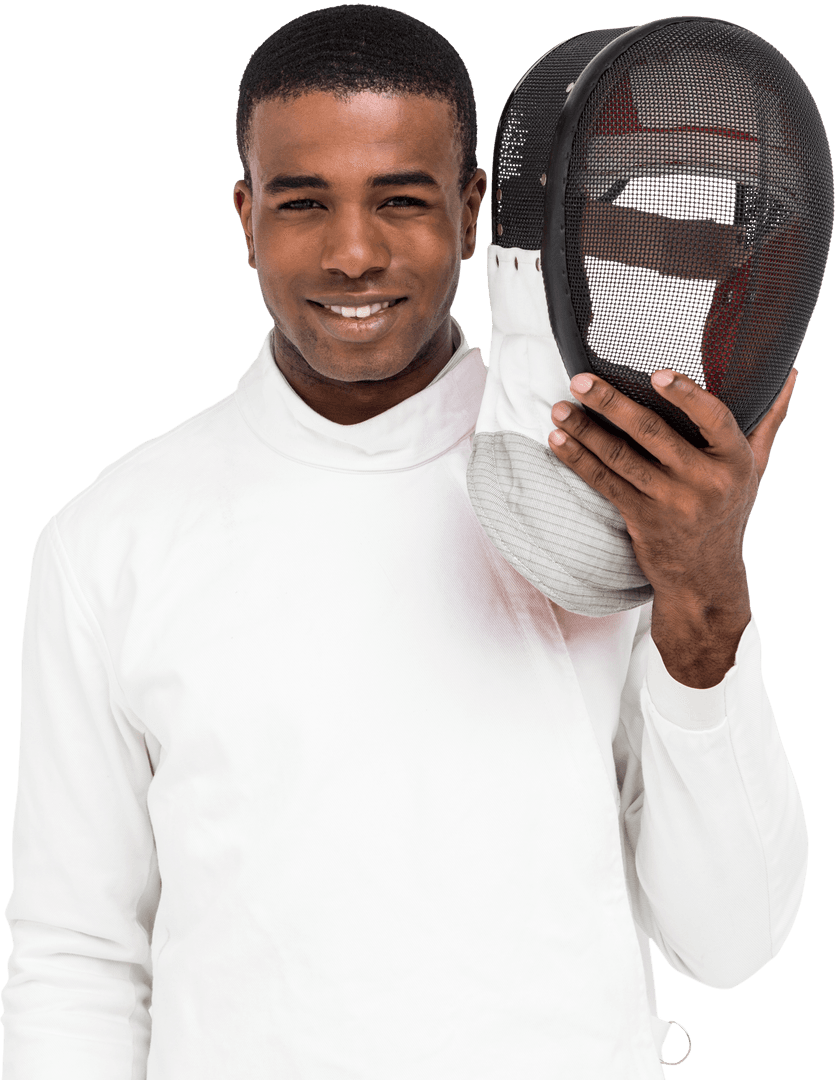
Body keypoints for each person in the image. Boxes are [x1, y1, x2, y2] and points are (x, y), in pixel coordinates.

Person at [1, 6, 807, 1078]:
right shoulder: (109, 539)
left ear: (473, 211)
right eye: (302, 204)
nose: (352, 252)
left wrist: (703, 598)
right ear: (244, 218)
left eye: (401, 200)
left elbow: (729, 944)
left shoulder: (621, 496)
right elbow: (77, 961)